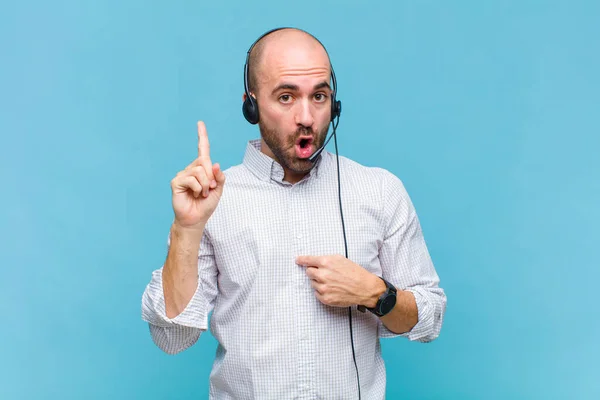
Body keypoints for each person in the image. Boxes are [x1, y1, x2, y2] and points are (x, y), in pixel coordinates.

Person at [141, 27, 447, 400]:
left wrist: (375, 293)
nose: (307, 117)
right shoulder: (213, 201)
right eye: (286, 97)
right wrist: (187, 229)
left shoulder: (379, 191)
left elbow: (430, 319)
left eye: (319, 96)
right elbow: (172, 337)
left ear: (334, 105)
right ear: (250, 106)